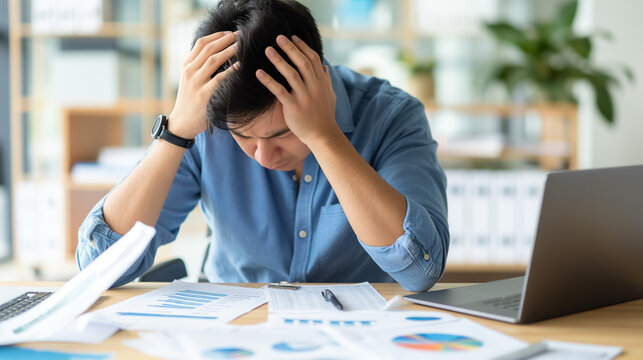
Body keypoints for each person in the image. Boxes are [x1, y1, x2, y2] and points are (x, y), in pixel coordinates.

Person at [77, 0, 449, 292]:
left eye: (281, 134)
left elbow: (420, 271)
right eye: (244, 137)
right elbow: (99, 267)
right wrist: (175, 133)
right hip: (234, 330)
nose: (263, 157)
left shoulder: (392, 116)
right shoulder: (207, 120)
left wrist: (324, 136)